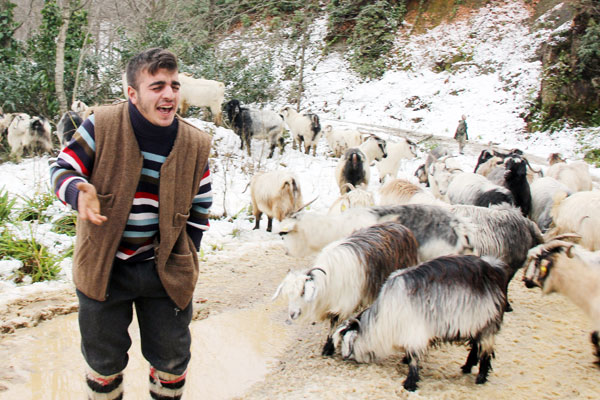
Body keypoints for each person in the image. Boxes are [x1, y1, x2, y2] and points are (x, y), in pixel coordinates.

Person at [50, 48, 212, 399]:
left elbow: (201, 207)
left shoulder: (195, 144)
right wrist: (79, 191)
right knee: (103, 362)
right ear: (132, 94)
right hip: (104, 267)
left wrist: (187, 258)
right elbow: (61, 169)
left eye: (173, 84)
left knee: (172, 359)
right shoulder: (101, 125)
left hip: (165, 270)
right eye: (156, 86)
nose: (168, 94)